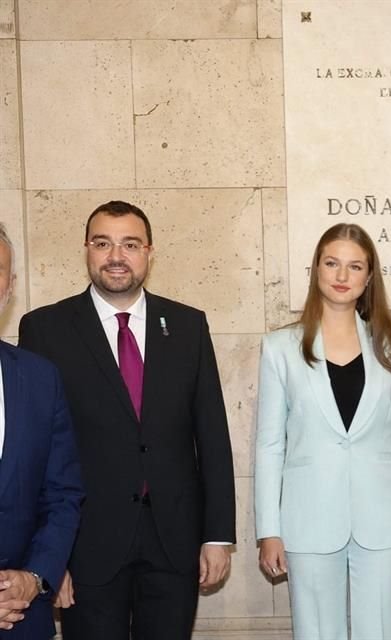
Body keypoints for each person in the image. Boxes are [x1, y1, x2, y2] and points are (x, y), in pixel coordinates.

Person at [17, 201, 236, 640]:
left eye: (130, 244)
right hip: (85, 547)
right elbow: (34, 452)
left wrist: (217, 536)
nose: (116, 256)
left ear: (149, 253)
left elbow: (211, 434)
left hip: (174, 543)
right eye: (103, 243)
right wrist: (47, 560)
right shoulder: (44, 329)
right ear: (86, 250)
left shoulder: (188, 326)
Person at [255, 223, 391, 640]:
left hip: (383, 518)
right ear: (316, 269)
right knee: (316, 632)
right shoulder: (280, 347)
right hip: (308, 517)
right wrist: (269, 529)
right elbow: (269, 444)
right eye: (332, 263)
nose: (342, 276)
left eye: (355, 266)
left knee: (384, 631)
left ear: (369, 278)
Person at [0, 223, 84, 639]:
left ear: (10, 285)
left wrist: (34, 577)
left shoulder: (39, 377)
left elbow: (63, 493)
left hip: (21, 616)